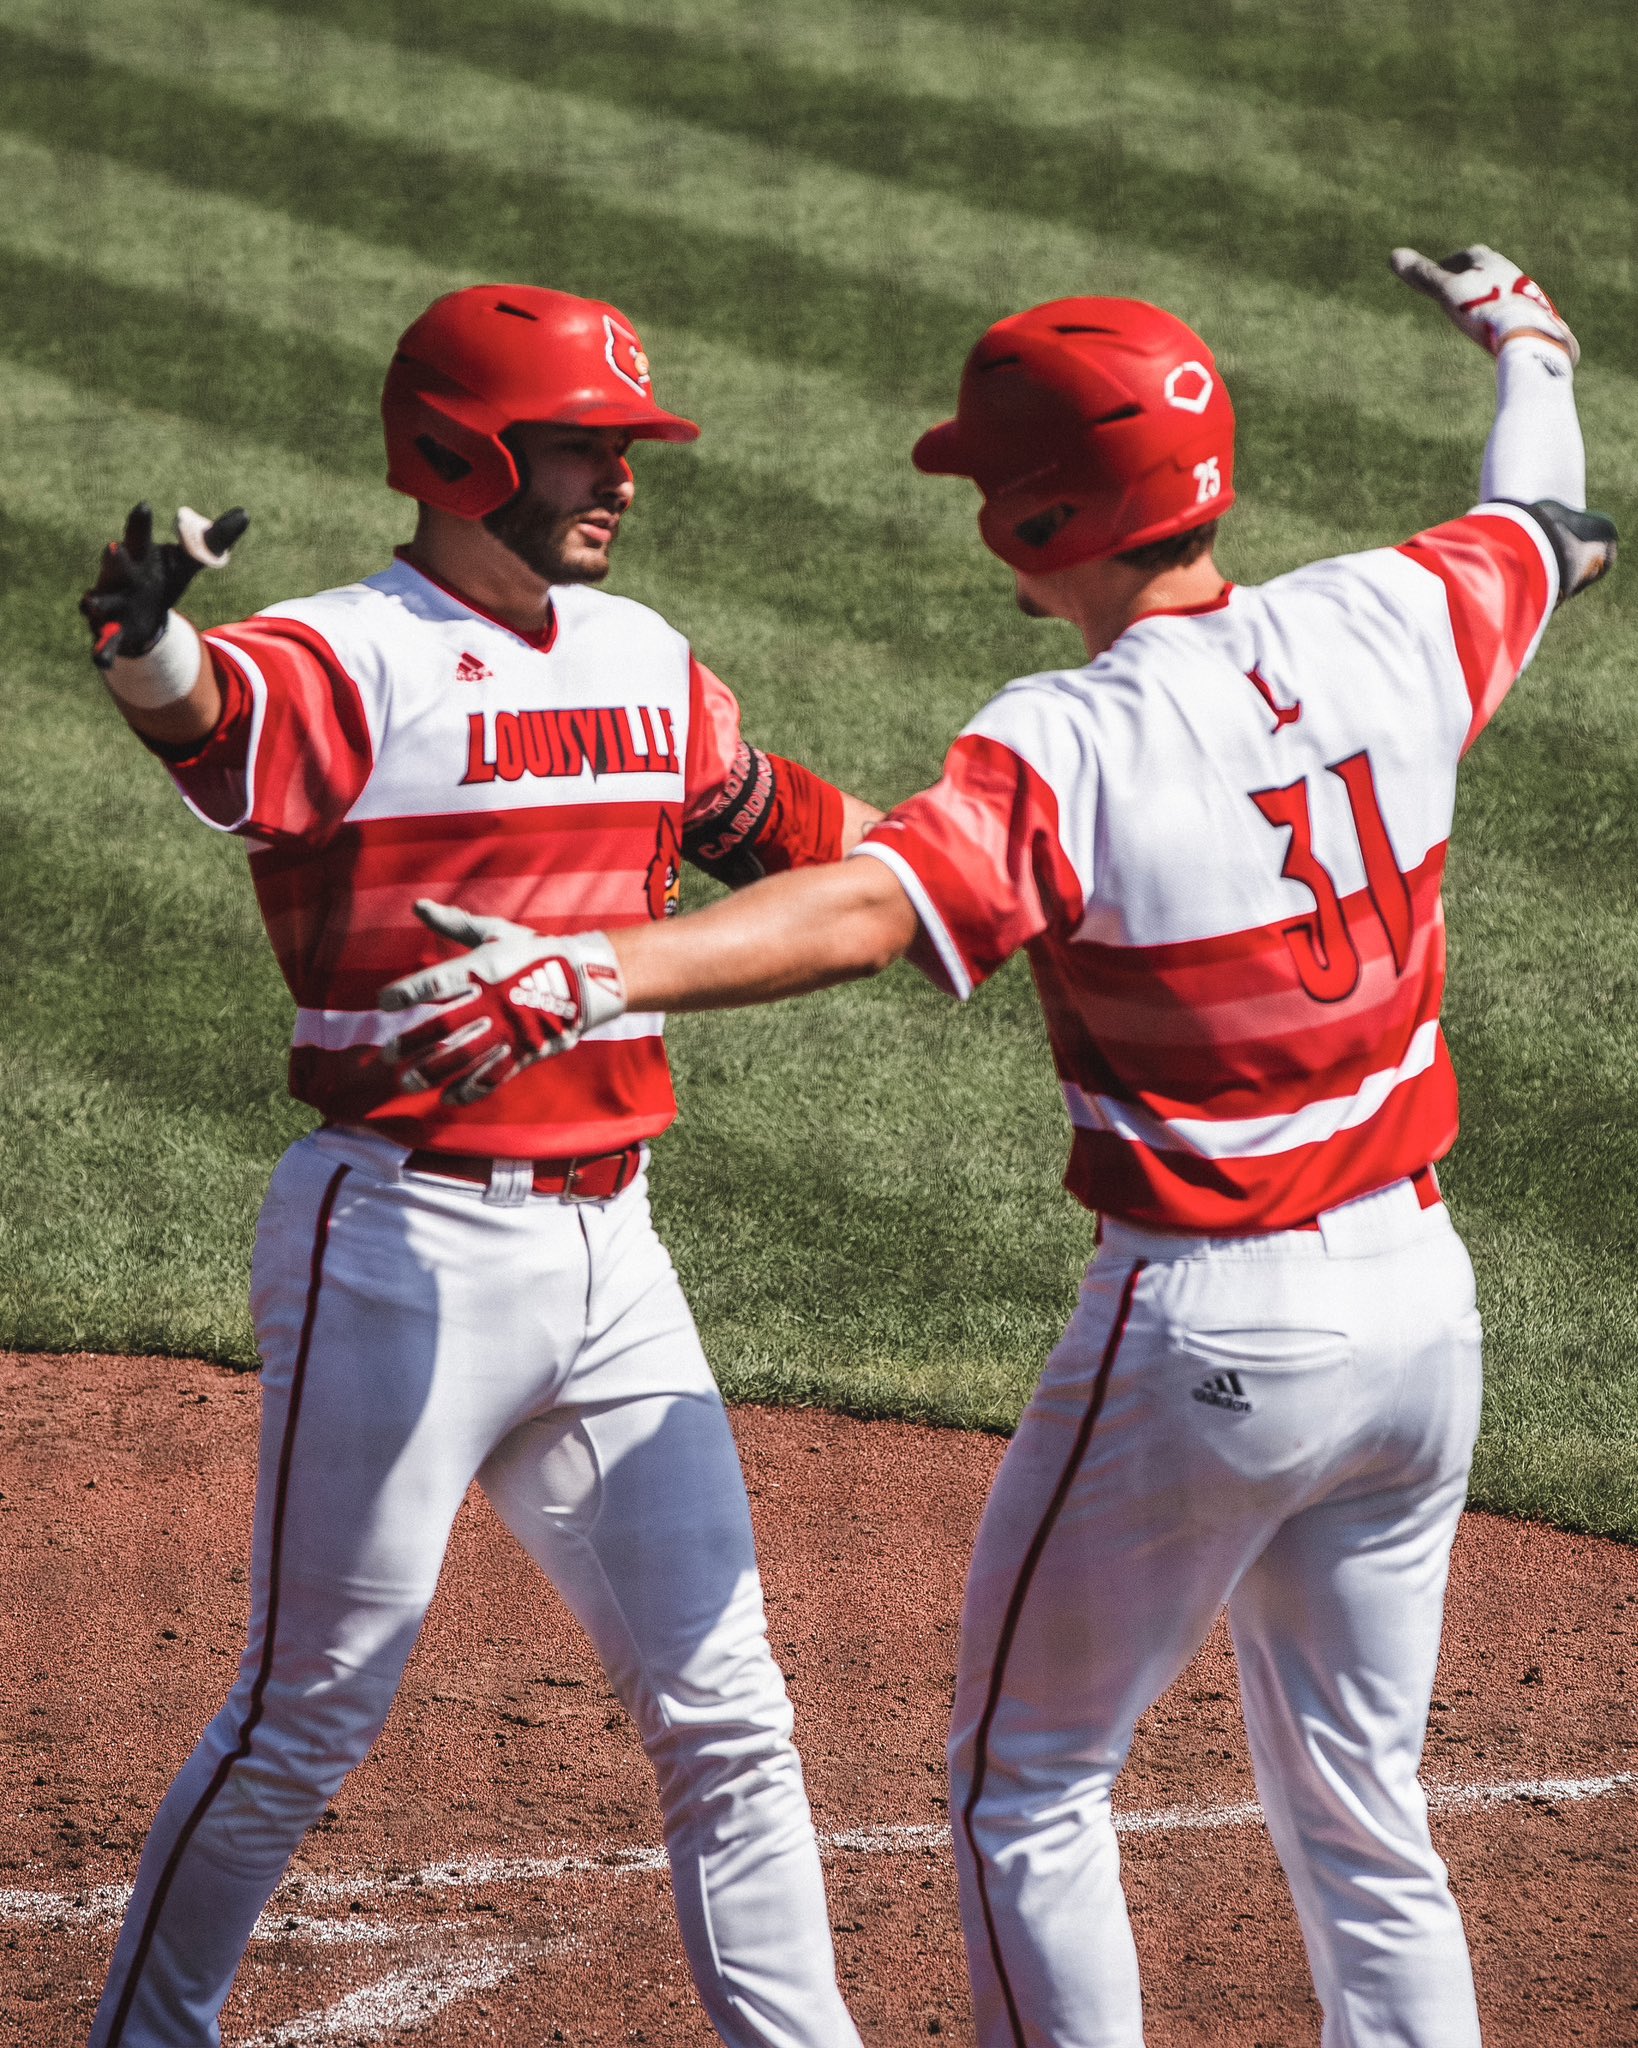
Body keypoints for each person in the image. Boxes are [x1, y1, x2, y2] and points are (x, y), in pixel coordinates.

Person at [380, 245, 1616, 2048]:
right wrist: (1528, 335)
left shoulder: (1070, 742)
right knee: (1365, 1803)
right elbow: (1551, 516)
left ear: (1040, 518)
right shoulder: (1400, 611)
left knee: (1023, 1782)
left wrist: (596, 967)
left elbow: (865, 916)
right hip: (1426, 1312)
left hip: (1210, 1330)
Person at [78, 284, 877, 2048]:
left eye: (624, 446)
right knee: (308, 1715)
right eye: (588, 445)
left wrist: (980, 854)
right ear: (465, 451)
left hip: (619, 1254)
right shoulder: (350, 652)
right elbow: (221, 717)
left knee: (729, 1713)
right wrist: (146, 651)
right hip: (403, 1251)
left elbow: (787, 832)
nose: (624, 480)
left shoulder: (642, 657)